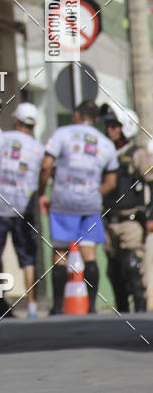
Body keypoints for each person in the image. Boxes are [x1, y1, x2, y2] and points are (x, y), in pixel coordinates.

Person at [38, 100, 118, 314]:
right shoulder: (105, 143)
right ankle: (91, 307)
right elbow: (111, 181)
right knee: (89, 252)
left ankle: (57, 308)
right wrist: (95, 193)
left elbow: (46, 165)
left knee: (60, 252)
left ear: (76, 114)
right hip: (90, 204)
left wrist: (41, 192)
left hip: (63, 200)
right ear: (95, 119)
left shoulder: (62, 134)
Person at [0, 103, 44, 320]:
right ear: (34, 124)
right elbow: (45, 171)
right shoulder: (38, 148)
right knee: (27, 258)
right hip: (24, 207)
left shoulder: (1, 139)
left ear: (15, 120)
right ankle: (32, 307)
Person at [100, 103, 153, 312]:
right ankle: (122, 314)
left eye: (114, 126)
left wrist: (150, 214)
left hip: (131, 220)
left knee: (132, 267)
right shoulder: (105, 152)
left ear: (126, 127)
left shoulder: (137, 154)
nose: (110, 130)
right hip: (109, 220)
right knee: (114, 272)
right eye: (107, 126)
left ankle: (140, 316)